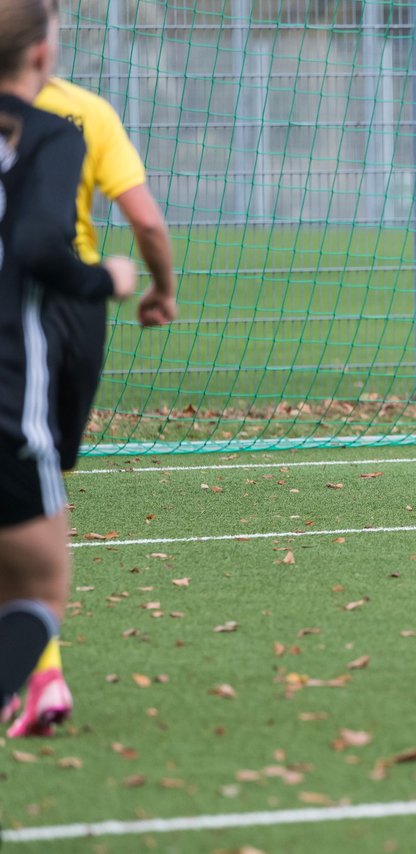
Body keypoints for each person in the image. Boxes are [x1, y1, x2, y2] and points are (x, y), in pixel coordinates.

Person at [3, 69, 178, 739]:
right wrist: (158, 289)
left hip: (24, 307)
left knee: (22, 493)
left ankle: (39, 669)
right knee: (38, 483)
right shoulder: (83, 112)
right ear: (42, 43)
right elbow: (145, 219)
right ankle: (39, 665)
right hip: (73, 310)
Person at [0, 0, 136, 729]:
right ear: (43, 57)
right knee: (40, 591)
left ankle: (41, 684)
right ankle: (41, 681)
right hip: (13, 383)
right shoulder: (55, 132)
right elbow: (43, 248)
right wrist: (108, 280)